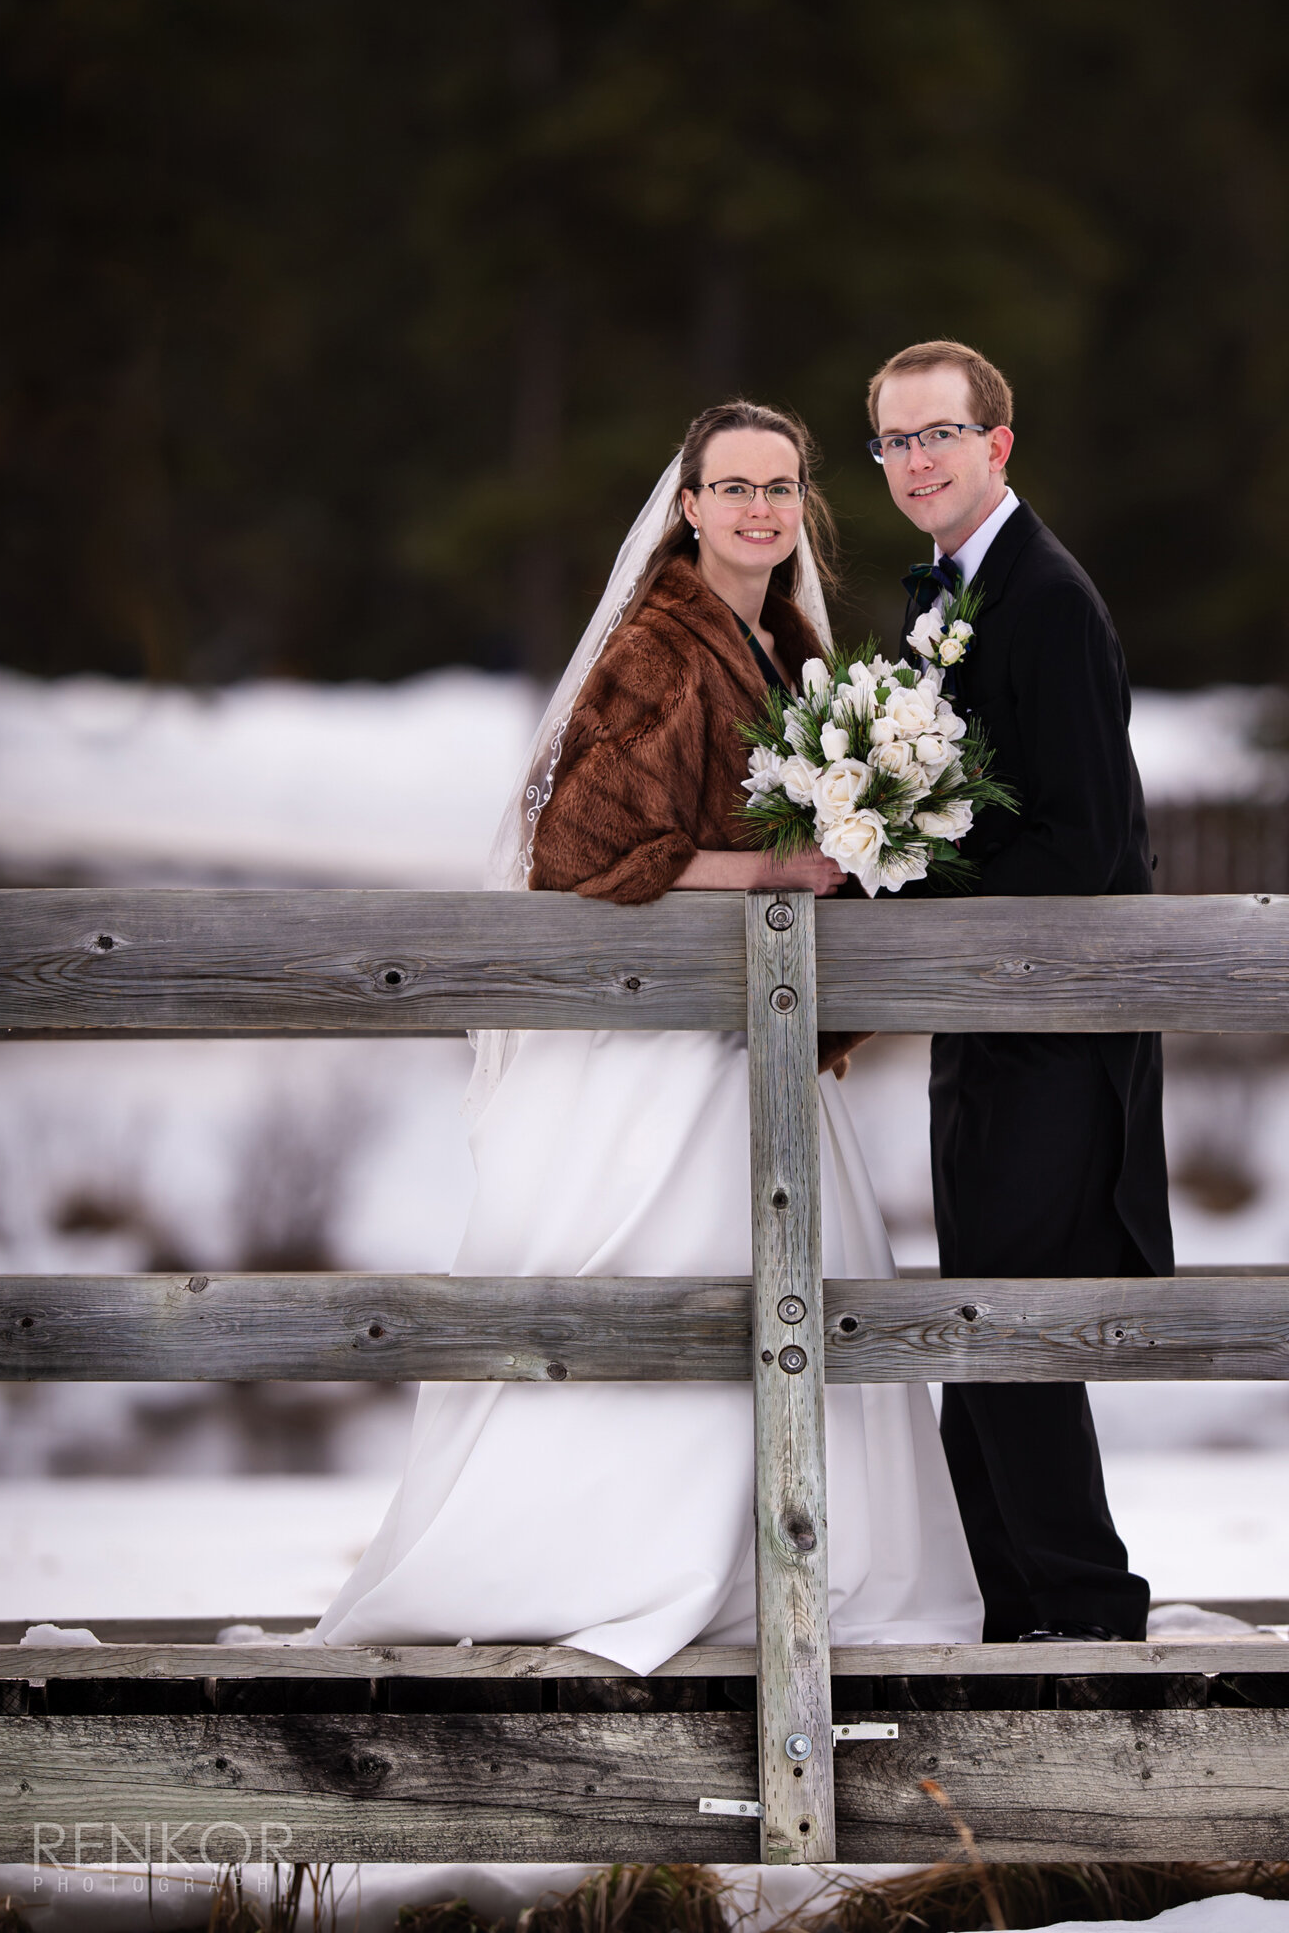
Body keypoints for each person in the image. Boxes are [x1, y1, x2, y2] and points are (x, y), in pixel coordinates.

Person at [314, 399, 982, 1672]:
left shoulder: (779, 638)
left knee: (791, 1298)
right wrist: (774, 869)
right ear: (686, 507)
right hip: (669, 1047)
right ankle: (605, 1563)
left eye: (780, 488)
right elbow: (575, 850)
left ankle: (777, 1571)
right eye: (732, 487)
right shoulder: (659, 647)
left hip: (756, 1038)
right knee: (666, 1300)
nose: (758, 510)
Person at [870, 339, 1173, 1644]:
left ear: (997, 444)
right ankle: (1001, 1614)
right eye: (891, 442)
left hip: (1052, 1028)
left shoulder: (1042, 599)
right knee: (971, 1330)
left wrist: (909, 883)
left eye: (936, 435)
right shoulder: (944, 592)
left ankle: (1088, 1623)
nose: (913, 461)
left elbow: (1087, 840)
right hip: (984, 1019)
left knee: (1009, 1335)